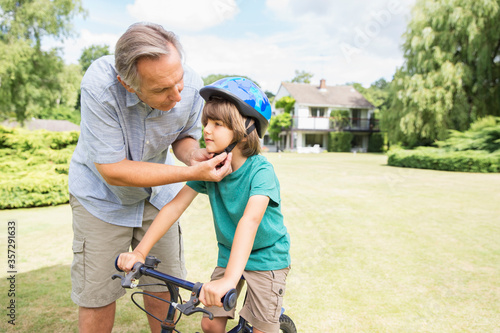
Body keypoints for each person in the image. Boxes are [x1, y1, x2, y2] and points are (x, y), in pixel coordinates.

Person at [68, 22, 232, 333]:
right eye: (161, 90)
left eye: (179, 82)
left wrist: (192, 155)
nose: (177, 95)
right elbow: (113, 169)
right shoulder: (100, 87)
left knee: (164, 286)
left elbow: (184, 136)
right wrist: (191, 172)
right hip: (101, 199)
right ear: (127, 84)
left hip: (157, 197)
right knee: (98, 293)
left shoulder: (192, 86)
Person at [117, 77, 292, 333]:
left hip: (267, 258)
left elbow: (250, 221)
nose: (206, 130)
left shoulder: (261, 171)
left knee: (264, 328)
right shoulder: (210, 168)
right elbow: (174, 207)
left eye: (217, 124)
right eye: (206, 122)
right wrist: (140, 252)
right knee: (210, 323)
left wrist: (229, 281)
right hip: (230, 254)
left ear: (246, 128)